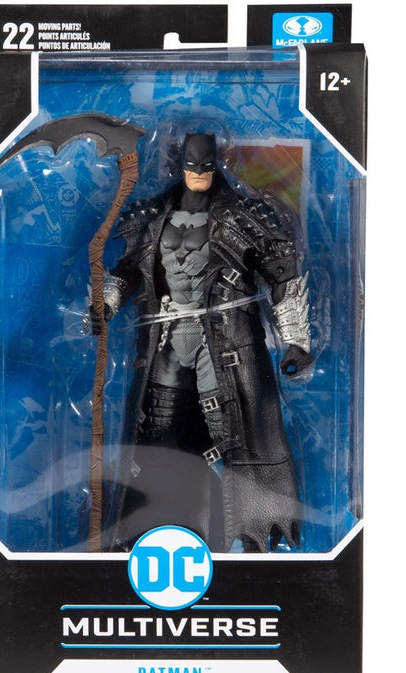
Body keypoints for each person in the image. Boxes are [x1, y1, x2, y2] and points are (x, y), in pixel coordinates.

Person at [96, 133, 312, 552]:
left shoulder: (244, 215)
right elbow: (129, 270)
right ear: (180, 165)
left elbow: (283, 275)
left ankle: (250, 533)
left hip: (226, 342)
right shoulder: (151, 215)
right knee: (158, 432)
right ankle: (152, 527)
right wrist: (106, 302)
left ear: (216, 164)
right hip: (167, 339)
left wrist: (296, 340)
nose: (199, 174)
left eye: (206, 167)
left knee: (236, 431)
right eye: (192, 167)